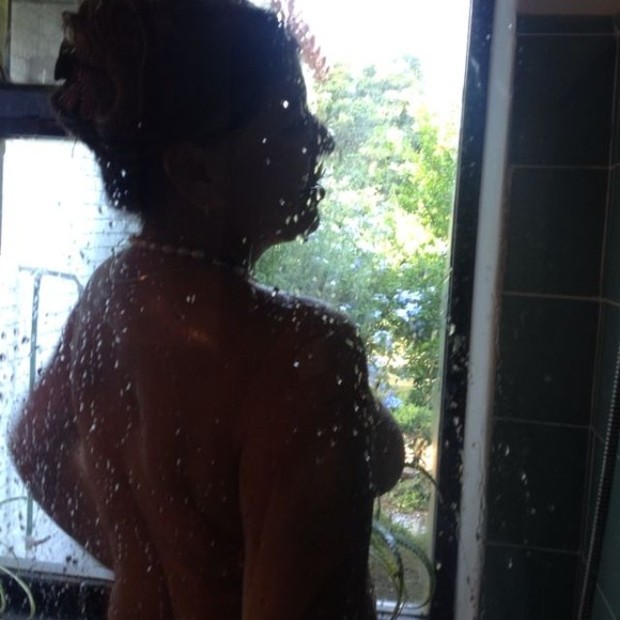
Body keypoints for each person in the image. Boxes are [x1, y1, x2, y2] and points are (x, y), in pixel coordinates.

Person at [9, 0, 405, 618]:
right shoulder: (304, 355)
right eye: (292, 119)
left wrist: (156, 562)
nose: (321, 139)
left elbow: (35, 444)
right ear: (196, 172)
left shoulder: (110, 296)